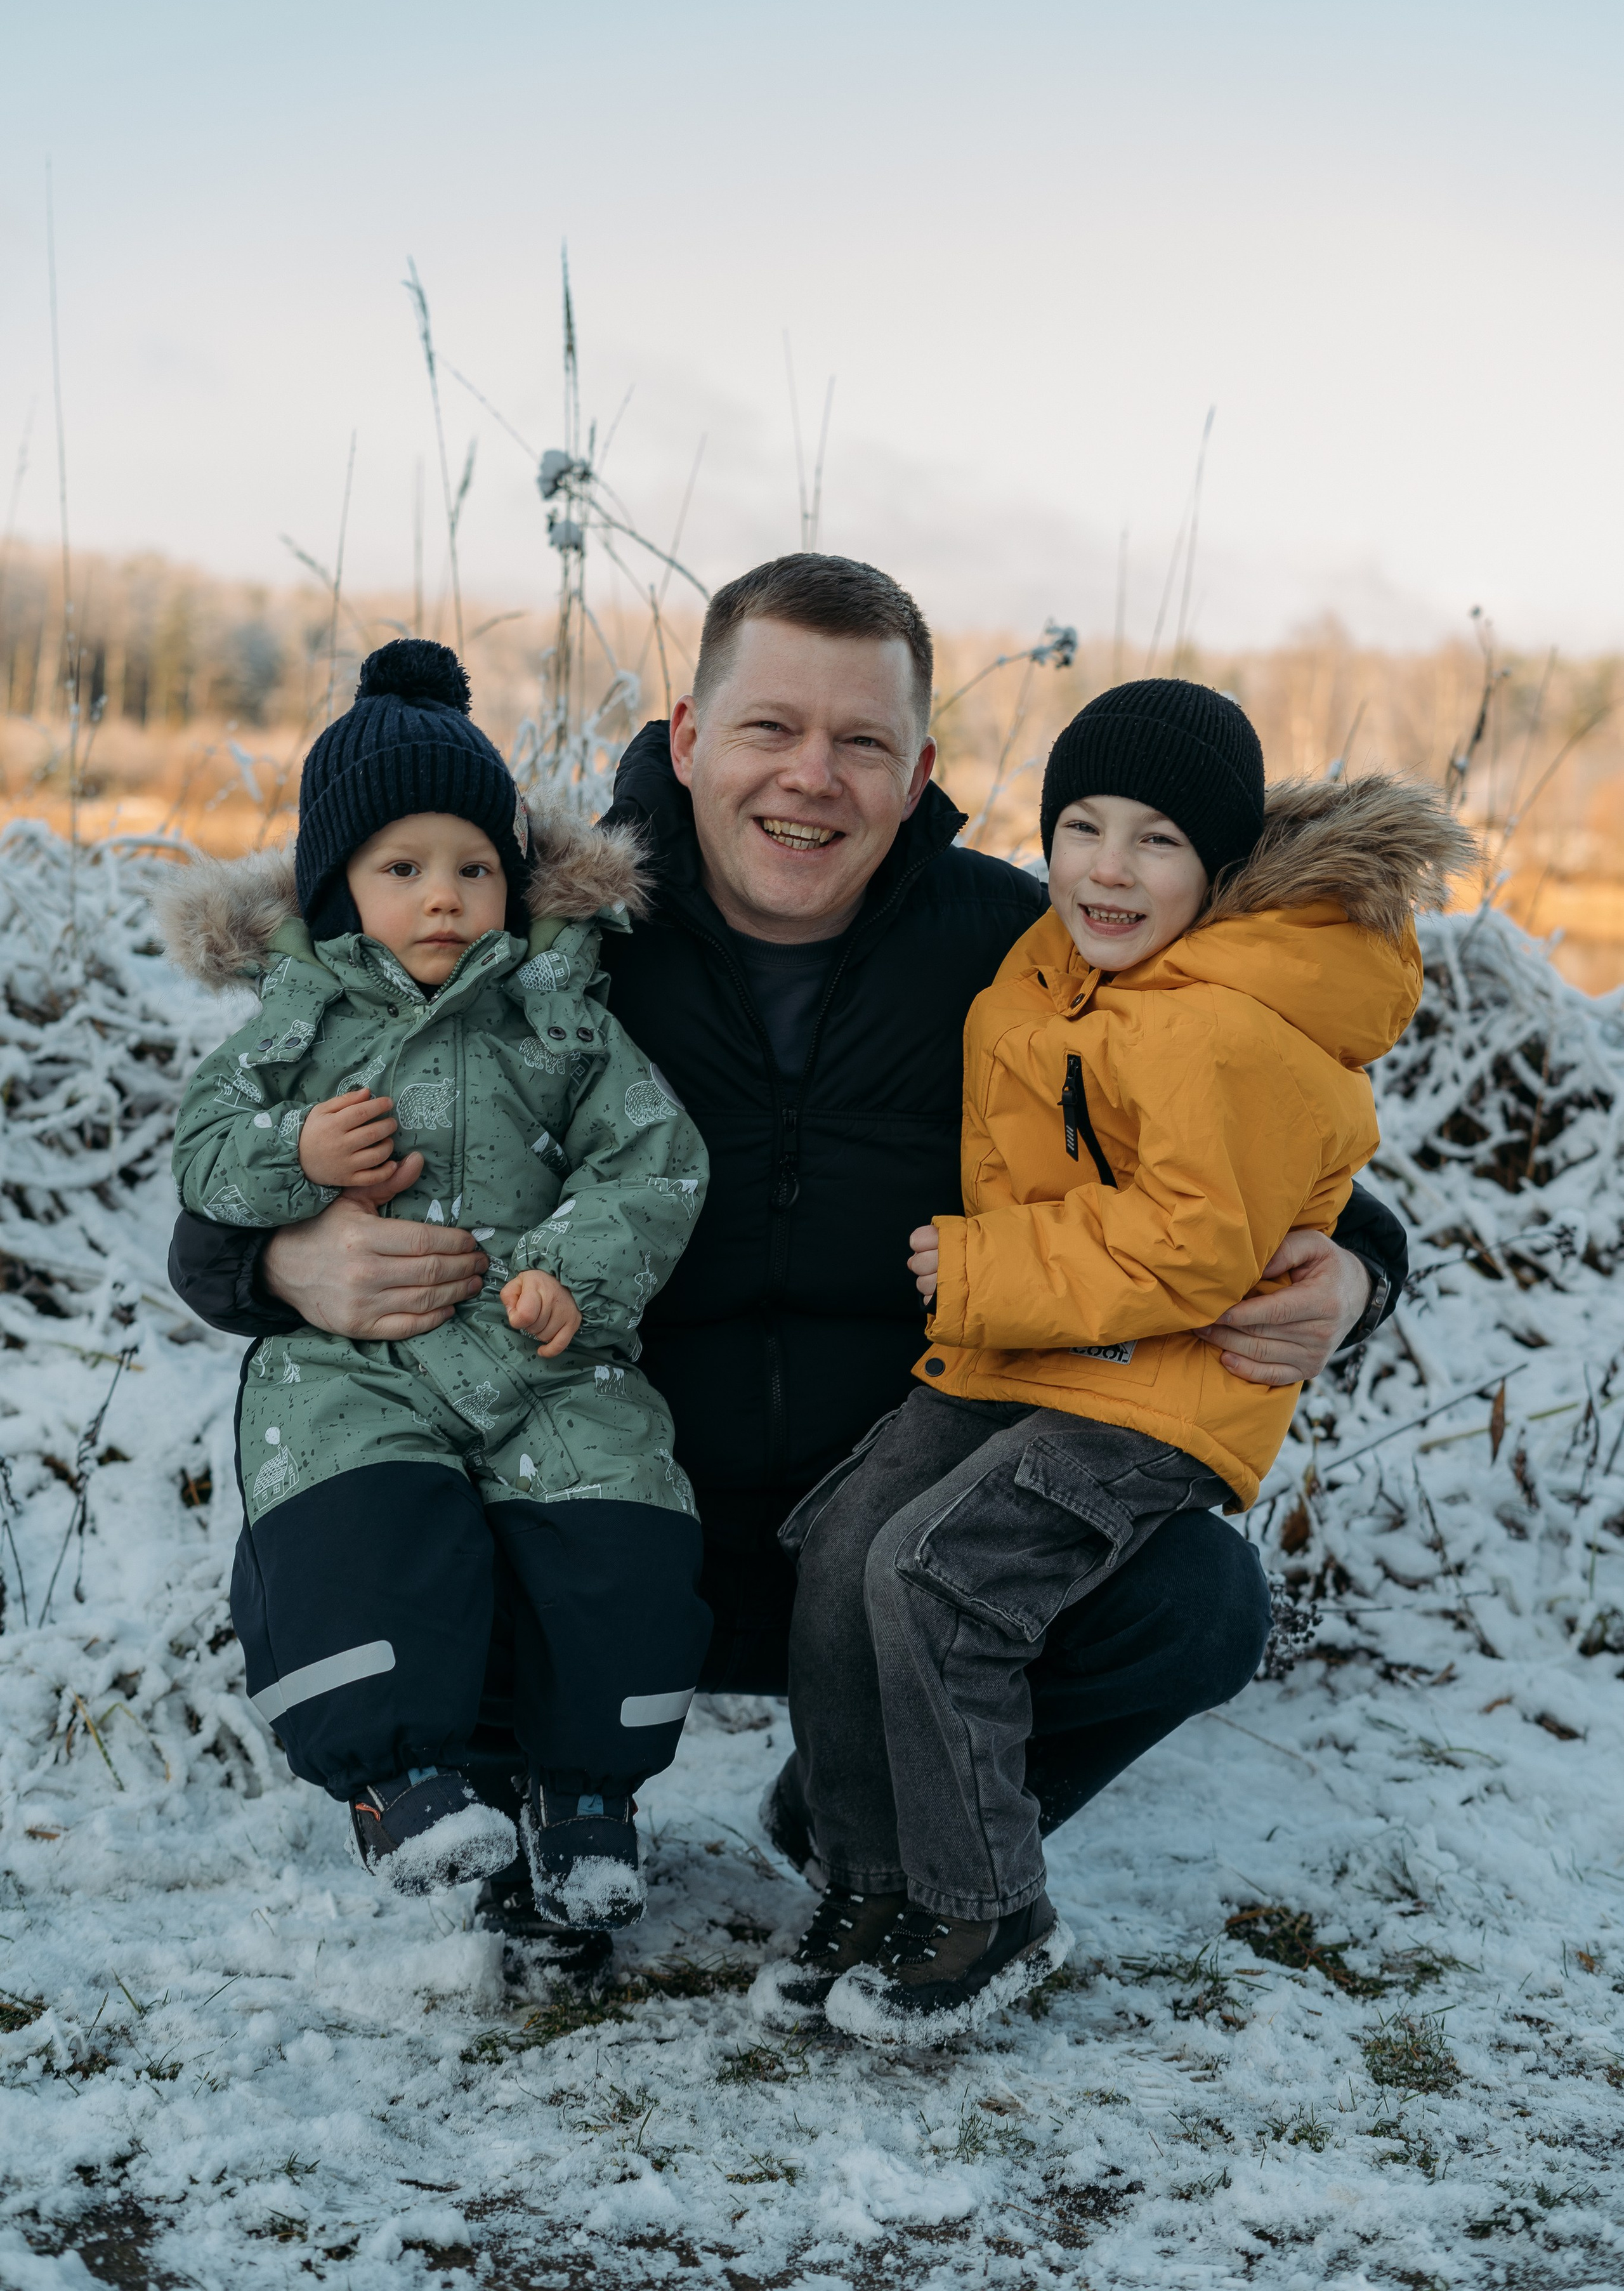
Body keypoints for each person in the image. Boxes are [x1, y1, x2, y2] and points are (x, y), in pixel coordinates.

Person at [165, 557, 1409, 1969]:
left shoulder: (1028, 954)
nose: (810, 778)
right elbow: (237, 1181)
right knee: (395, 1496)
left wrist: (1356, 1271)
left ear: (918, 767)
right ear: (687, 739)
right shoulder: (543, 946)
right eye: (769, 730)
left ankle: (868, 1815)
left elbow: (1262, 1131)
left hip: (886, 1542)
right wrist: (279, 1269)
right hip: (604, 1509)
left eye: (859, 741)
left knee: (1192, 1604)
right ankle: (519, 1816)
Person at [754, 679, 1470, 2044]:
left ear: (1220, 866)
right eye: (1079, 825)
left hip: (1154, 1382)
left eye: (1154, 840)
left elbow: (1204, 1247)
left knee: (933, 1567)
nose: (1105, 865)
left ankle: (985, 1904)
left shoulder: (1221, 1020)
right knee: (846, 1539)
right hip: (1025, 1353)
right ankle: (863, 1880)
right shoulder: (1052, 960)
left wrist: (980, 1271)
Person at [160, 639, 711, 1926]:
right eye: (402, 870)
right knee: (363, 1520)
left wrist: (574, 1273)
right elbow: (200, 1155)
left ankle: (589, 1799)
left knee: (613, 1508)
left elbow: (652, 1155)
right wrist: (292, 1159)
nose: (445, 897)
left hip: (534, 1342)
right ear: (339, 888)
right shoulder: (292, 1024)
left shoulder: (559, 1013)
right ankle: (398, 1785)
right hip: (355, 1356)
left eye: (474, 868)